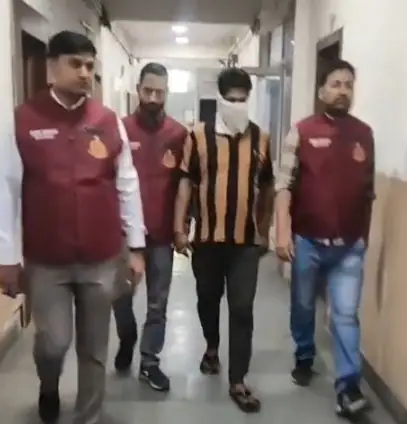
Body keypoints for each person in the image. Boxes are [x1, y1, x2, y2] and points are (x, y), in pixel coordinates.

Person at [0, 31, 146, 424]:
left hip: (101, 257)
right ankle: (48, 384)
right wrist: (7, 257)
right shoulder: (22, 121)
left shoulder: (108, 121)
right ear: (52, 67)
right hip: (47, 260)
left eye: (89, 66)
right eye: (75, 64)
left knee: (94, 349)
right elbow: (6, 190)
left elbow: (127, 185)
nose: (84, 73)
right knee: (53, 342)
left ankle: (88, 417)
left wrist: (135, 247)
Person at [274, 59, 375, 419]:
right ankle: (304, 353)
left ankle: (348, 387)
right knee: (303, 305)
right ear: (321, 91)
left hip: (349, 247)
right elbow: (284, 185)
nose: (343, 90)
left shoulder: (364, 134)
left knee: (346, 315)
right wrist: (282, 231)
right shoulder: (301, 131)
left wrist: (363, 236)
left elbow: (368, 191)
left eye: (348, 84)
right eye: (336, 84)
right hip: (308, 242)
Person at [174, 68, 274, 413]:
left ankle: (238, 380)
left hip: (245, 242)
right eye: (231, 99)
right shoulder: (198, 137)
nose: (237, 105)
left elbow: (268, 186)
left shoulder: (261, 138)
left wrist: (265, 229)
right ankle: (212, 347)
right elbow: (186, 182)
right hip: (207, 239)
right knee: (207, 299)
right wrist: (179, 227)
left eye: (242, 99)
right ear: (220, 100)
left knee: (242, 308)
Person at [112, 63, 188, 392]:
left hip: (160, 236)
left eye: (160, 92)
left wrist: (182, 226)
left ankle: (149, 360)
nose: (154, 98)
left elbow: (185, 185)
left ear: (167, 92)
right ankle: (127, 337)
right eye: (148, 91)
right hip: (123, 236)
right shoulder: (119, 129)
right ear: (138, 90)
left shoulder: (179, 134)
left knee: (158, 302)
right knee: (120, 297)